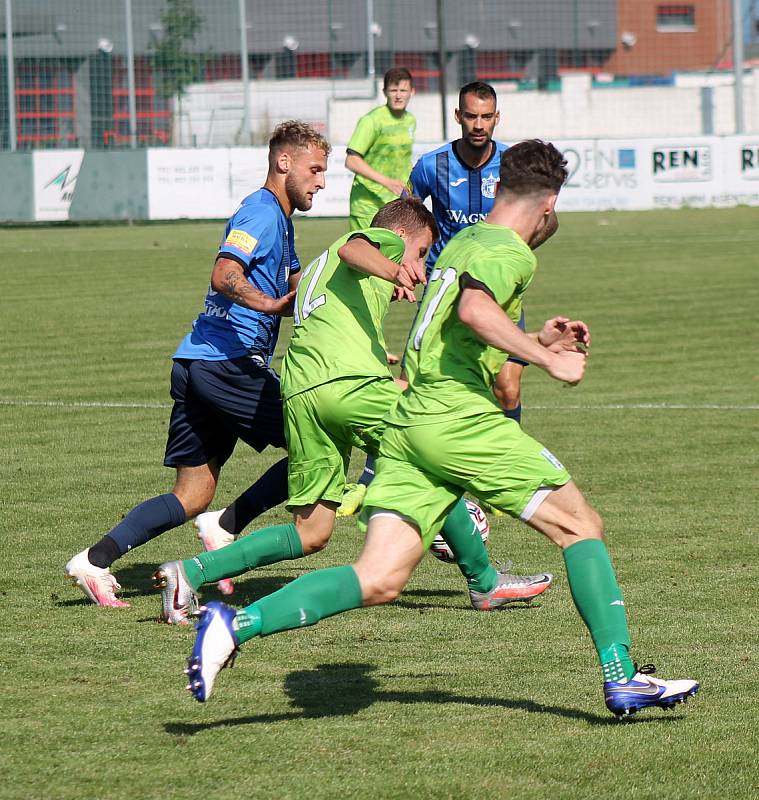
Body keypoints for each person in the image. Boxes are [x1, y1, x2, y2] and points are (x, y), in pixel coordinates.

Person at [181, 140, 699, 719]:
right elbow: (477, 313)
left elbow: (464, 331)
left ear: (498, 186)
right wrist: (551, 360)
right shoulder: (508, 251)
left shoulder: (464, 242)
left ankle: (235, 624)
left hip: (411, 424)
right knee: (581, 526)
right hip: (456, 420)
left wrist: (538, 343)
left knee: (376, 577)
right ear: (549, 202)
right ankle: (622, 676)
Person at [155, 197, 552, 626]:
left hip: (302, 394)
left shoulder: (322, 269)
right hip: (345, 387)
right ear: (401, 236)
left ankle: (190, 572)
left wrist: (381, 347)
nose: (419, 266)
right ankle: (485, 582)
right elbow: (355, 249)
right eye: (421, 252)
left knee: (312, 533)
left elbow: (335, 308)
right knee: (434, 454)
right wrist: (393, 266)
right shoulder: (382, 242)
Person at [64, 121, 330, 607]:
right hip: (226, 364)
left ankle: (93, 561)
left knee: (192, 494)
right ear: (283, 162)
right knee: (318, 440)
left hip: (196, 361)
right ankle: (227, 525)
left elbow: (303, 287)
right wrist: (268, 305)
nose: (321, 182)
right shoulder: (262, 213)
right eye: (315, 170)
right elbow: (225, 273)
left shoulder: (281, 221)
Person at [337, 81, 540, 517]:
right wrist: (399, 264)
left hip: (498, 293)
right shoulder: (432, 166)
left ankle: (500, 481)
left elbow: (548, 217)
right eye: (471, 116)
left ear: (497, 118)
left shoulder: (512, 166)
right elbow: (403, 217)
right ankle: (377, 475)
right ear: (458, 117)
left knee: (507, 386)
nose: (479, 125)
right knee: (422, 383)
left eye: (487, 117)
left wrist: (515, 253)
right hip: (445, 296)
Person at [345, 67, 416, 231]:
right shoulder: (371, 121)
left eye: (403, 90)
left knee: (396, 255)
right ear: (385, 92)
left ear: (412, 92)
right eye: (393, 90)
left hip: (396, 204)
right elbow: (352, 160)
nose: (398, 95)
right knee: (366, 255)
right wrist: (387, 182)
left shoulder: (410, 120)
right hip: (367, 205)